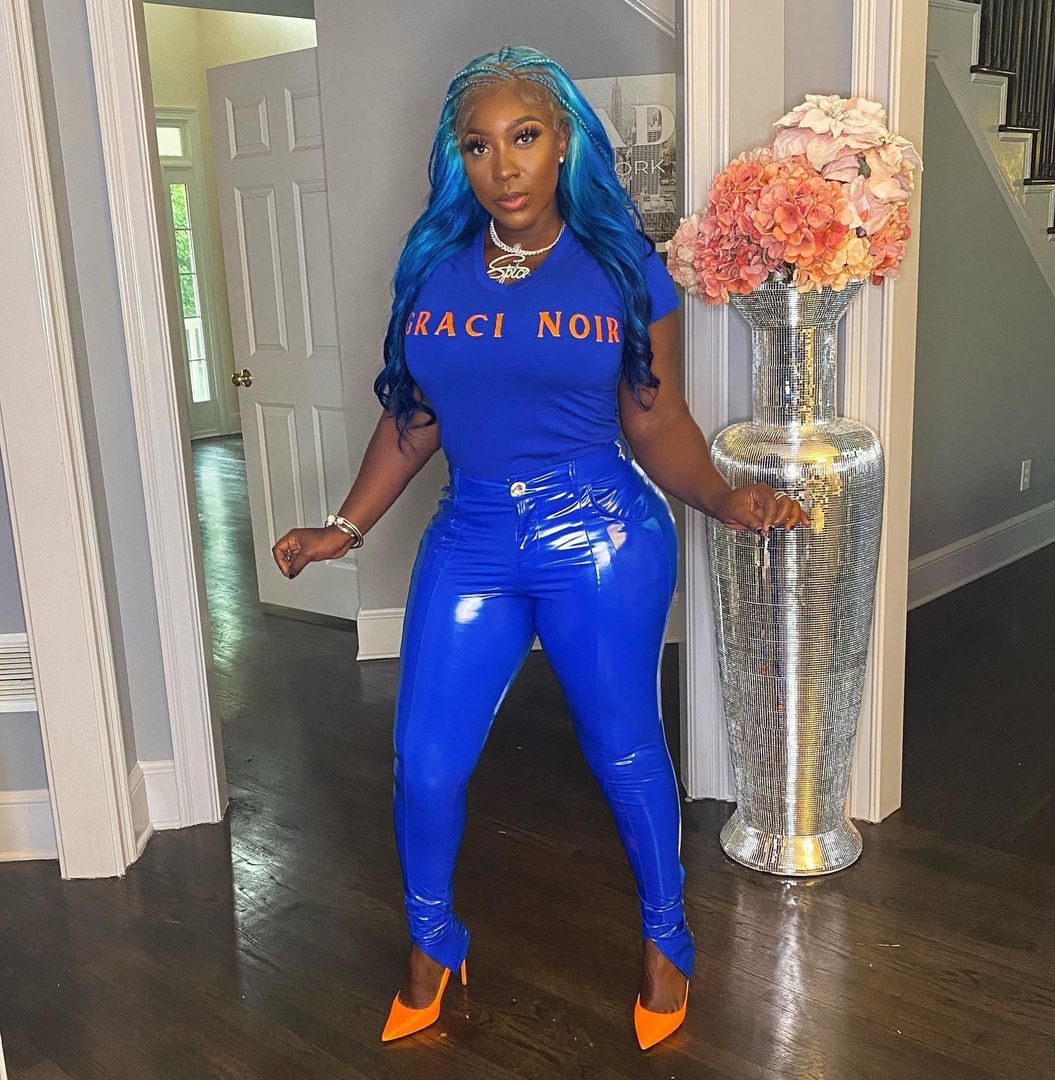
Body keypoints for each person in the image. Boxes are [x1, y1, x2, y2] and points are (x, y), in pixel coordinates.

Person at [271, 45, 809, 1051]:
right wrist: (344, 526)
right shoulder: (433, 269)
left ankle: (666, 938)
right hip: (471, 535)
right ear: (457, 159)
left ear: (563, 141)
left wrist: (722, 496)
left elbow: (656, 421)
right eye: (478, 146)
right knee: (425, 764)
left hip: (600, 536)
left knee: (623, 747)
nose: (503, 165)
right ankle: (433, 942)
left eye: (523, 137)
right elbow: (414, 419)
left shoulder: (622, 268)